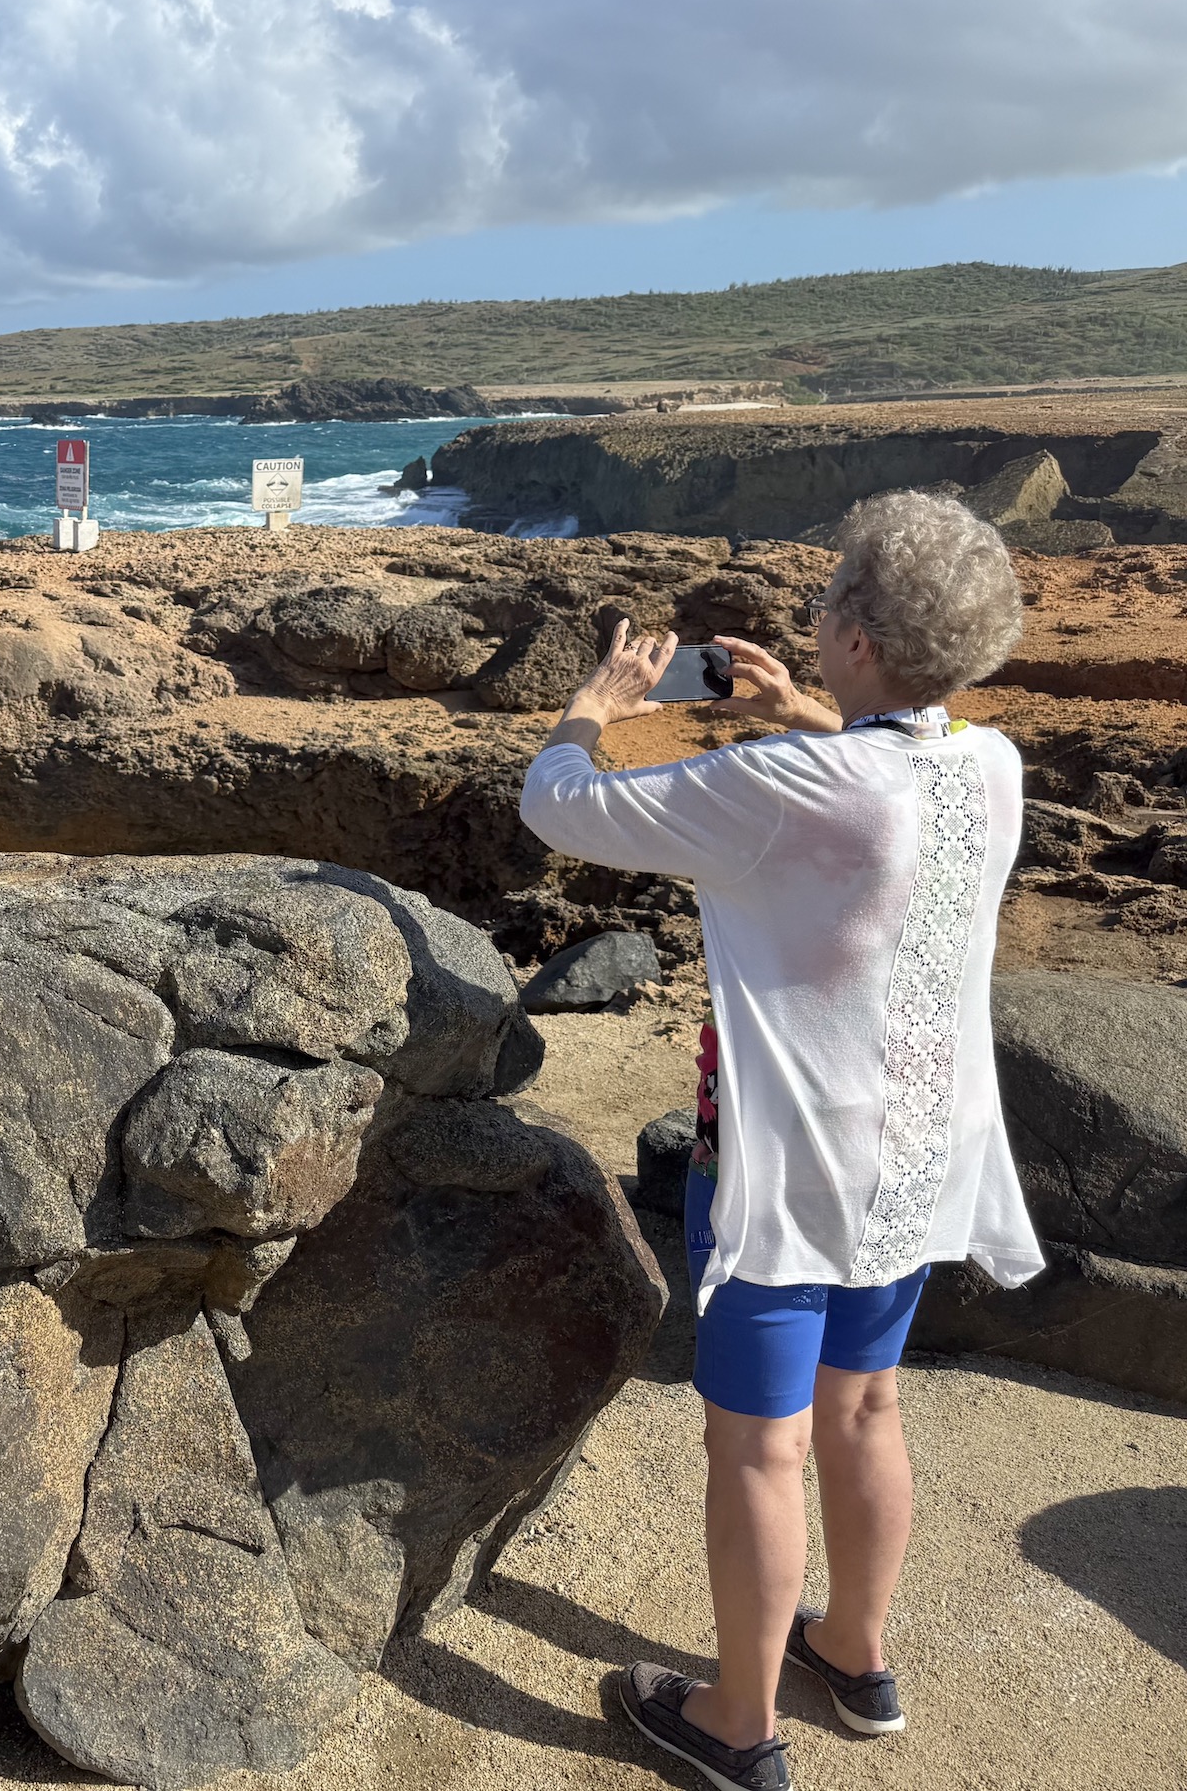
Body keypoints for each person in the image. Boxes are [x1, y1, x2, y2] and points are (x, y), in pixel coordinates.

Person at [518, 491, 1045, 1791]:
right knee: (865, 1405)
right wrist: (802, 715)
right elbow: (888, 787)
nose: (811, 616)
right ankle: (856, 1659)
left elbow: (556, 801)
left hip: (784, 1169)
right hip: (916, 1155)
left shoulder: (780, 790)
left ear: (860, 642)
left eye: (828, 603)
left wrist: (601, 697)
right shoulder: (991, 766)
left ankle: (735, 1728)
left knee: (759, 1443)